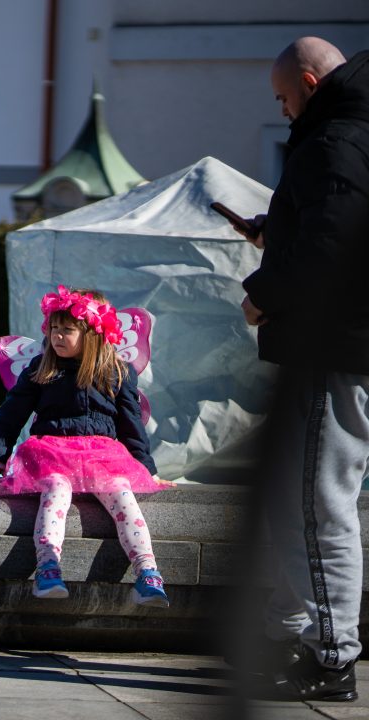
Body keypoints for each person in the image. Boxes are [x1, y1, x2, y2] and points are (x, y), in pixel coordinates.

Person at [238, 37, 369, 703]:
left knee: (317, 504)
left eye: (284, 99)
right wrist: (277, 228)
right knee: (297, 498)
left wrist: (264, 293)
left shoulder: (334, 140)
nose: (283, 111)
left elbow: (331, 243)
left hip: (332, 349)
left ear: (311, 84)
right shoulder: (353, 134)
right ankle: (287, 633)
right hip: (342, 346)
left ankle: (331, 657)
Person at [0, 286, 172, 607]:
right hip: (52, 451)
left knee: (122, 495)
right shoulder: (41, 368)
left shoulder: (116, 371)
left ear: (92, 334)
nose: (57, 336)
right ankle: (48, 565)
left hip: (102, 455)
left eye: (67, 330)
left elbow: (131, 424)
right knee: (55, 490)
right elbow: (10, 415)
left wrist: (147, 469)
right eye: (53, 328)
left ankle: (147, 571)